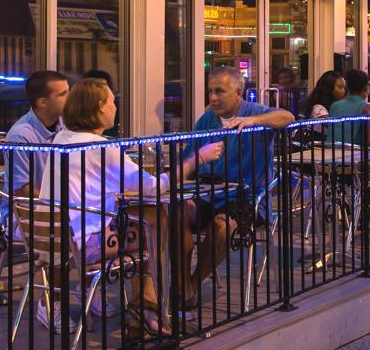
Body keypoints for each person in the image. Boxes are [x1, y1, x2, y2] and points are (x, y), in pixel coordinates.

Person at [44, 79, 218, 336]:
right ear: (100, 106)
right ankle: (147, 311)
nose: (116, 107)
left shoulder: (62, 139)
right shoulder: (102, 146)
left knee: (152, 219)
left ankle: (147, 310)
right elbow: (152, 187)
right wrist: (197, 159)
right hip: (85, 243)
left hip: (53, 239)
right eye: (113, 102)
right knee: (154, 226)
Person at [187, 67, 295, 288]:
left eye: (219, 91)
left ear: (238, 93)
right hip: (208, 194)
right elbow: (189, 159)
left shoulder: (254, 111)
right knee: (176, 216)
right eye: (210, 92)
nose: (213, 98)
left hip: (248, 198)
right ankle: (180, 285)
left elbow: (288, 116)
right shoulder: (206, 120)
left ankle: (191, 284)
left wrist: (254, 121)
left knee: (222, 226)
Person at [5, 70, 68, 197]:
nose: (70, 98)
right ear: (42, 103)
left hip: (57, 209)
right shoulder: (20, 136)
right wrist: (56, 205)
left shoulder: (65, 126)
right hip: (27, 213)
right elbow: (21, 189)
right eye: (62, 94)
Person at [327, 68, 370, 144]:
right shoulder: (367, 109)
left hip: (331, 151)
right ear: (365, 87)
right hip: (352, 152)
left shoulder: (334, 105)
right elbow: (366, 140)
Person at [83, 69, 119, 137]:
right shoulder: (103, 146)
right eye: (112, 101)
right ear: (101, 105)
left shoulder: (63, 135)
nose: (115, 108)